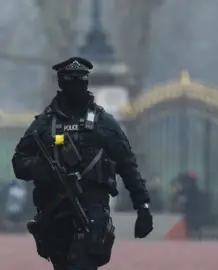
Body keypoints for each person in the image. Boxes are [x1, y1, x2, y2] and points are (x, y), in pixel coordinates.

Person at [11, 57, 153, 270]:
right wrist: (42, 170)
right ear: (61, 83)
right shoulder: (44, 124)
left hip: (91, 212)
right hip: (54, 212)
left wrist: (142, 207)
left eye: (81, 81)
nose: (76, 87)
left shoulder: (103, 122)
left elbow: (127, 165)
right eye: (71, 81)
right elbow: (19, 162)